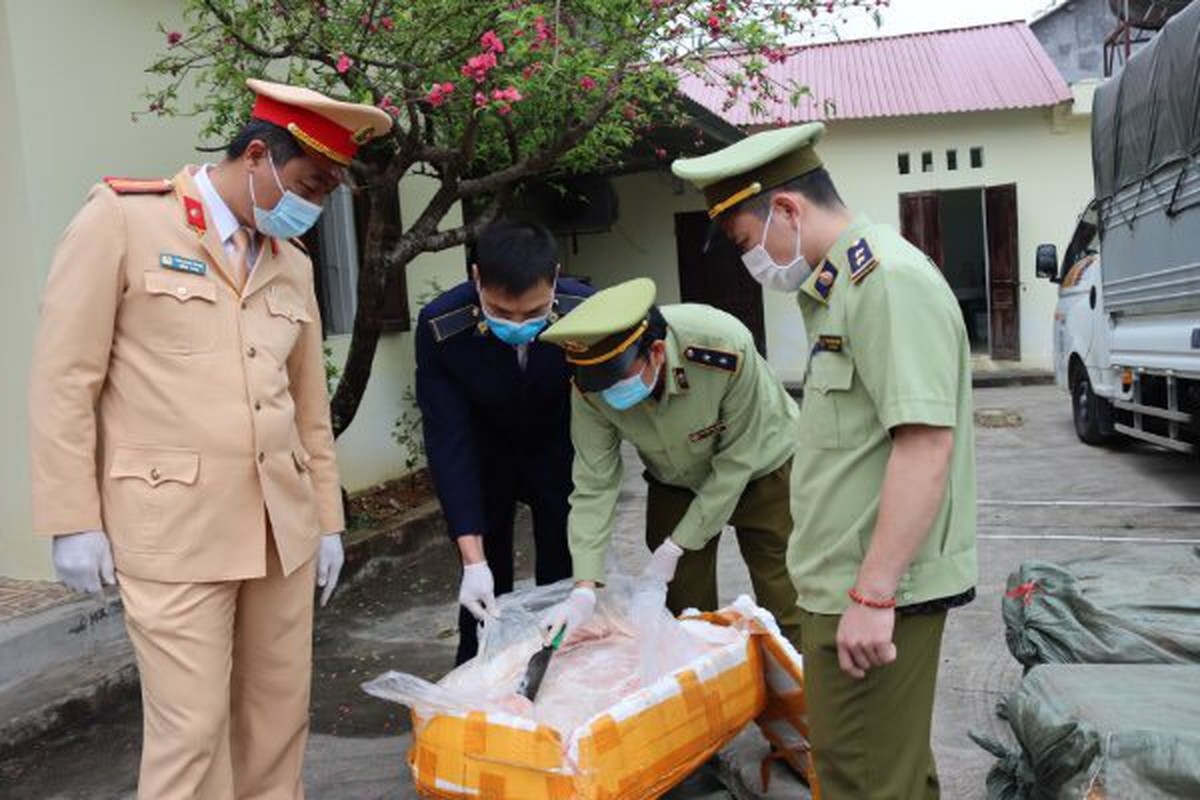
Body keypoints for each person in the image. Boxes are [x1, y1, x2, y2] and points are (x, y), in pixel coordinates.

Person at [28, 78, 391, 799]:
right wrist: (73, 518)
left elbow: (308, 409)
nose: (313, 207)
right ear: (257, 155)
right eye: (308, 185)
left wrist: (327, 520)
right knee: (191, 733)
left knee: (276, 719)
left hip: (279, 529)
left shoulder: (291, 264)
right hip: (174, 530)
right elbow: (65, 378)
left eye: (326, 194)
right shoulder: (125, 221)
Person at [672, 123, 978, 799]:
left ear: (786, 210)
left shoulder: (885, 282)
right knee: (880, 769)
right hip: (845, 585)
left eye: (746, 244)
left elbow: (925, 445)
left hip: (871, 593)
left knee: (859, 780)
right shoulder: (841, 289)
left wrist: (873, 594)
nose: (752, 263)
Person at [537, 277, 804, 649]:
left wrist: (678, 544)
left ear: (658, 351)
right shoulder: (590, 388)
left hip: (763, 467)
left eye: (617, 377)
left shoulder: (722, 346)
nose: (610, 391)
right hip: (676, 477)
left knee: (787, 600)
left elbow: (736, 462)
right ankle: (714, 689)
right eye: (599, 382)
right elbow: (593, 483)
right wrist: (583, 588)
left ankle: (802, 695)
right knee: (684, 611)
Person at [415, 219, 592, 664]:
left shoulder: (585, 313)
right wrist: (471, 561)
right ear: (477, 279)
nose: (518, 324)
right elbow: (447, 438)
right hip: (483, 454)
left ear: (554, 278)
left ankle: (559, 670)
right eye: (501, 312)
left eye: (533, 314)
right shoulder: (442, 326)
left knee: (562, 574)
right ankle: (478, 680)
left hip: (559, 449)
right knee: (482, 593)